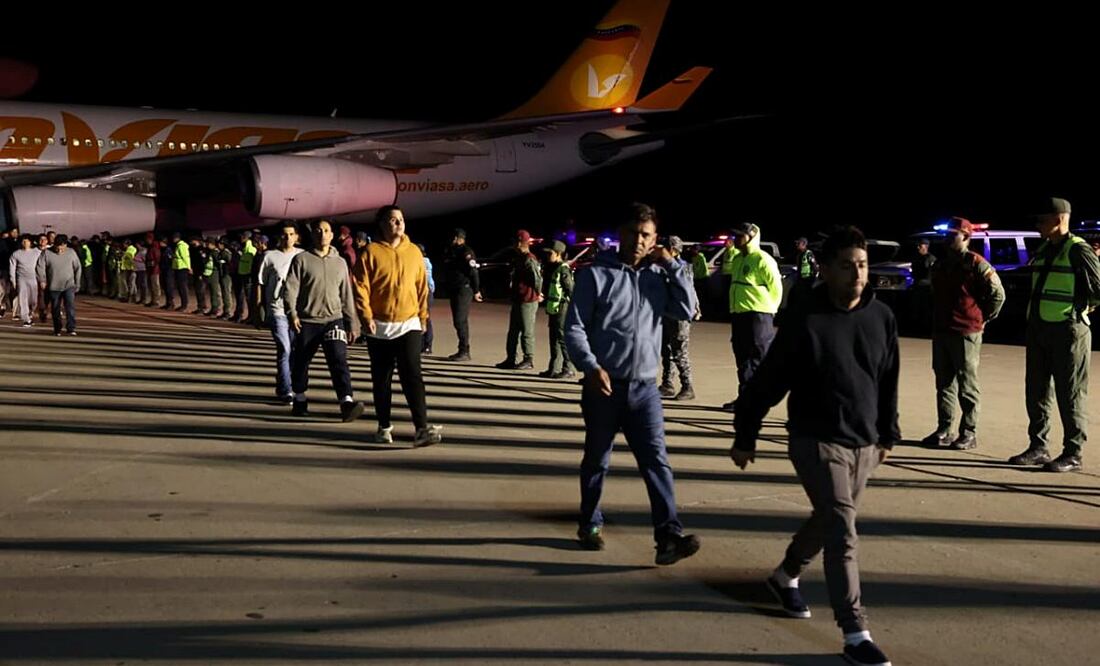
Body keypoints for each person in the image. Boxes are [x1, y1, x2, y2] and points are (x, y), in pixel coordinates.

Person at [731, 226, 899, 666]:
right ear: (824, 270)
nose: (857, 274)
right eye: (846, 266)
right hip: (815, 440)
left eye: (861, 265)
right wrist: (745, 433)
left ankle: (785, 574)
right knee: (843, 530)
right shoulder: (806, 319)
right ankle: (855, 633)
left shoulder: (881, 318)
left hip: (864, 442)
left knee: (829, 521)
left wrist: (887, 433)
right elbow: (768, 381)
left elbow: (887, 378)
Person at [565, 202, 701, 565]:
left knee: (657, 462)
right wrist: (590, 367)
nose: (638, 241)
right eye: (632, 233)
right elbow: (574, 326)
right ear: (619, 234)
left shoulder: (659, 277)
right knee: (597, 459)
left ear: (655, 239)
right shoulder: (595, 275)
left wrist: (672, 264)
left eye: (646, 235)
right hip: (603, 388)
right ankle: (589, 523)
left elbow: (687, 310)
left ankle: (668, 536)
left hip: (645, 389)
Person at [1009, 197, 1100, 473]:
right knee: (1036, 390)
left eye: (1042, 220)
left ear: (1059, 219)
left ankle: (1073, 452)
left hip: (1068, 331)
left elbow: (1097, 289)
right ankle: (1038, 446)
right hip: (1039, 329)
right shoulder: (1045, 248)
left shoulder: (1078, 250)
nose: (1037, 225)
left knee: (1070, 392)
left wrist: (1078, 312)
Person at [352, 206, 442, 446]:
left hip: (409, 322)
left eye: (401, 219)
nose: (398, 224)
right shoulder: (370, 252)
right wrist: (366, 316)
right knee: (381, 378)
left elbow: (422, 287)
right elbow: (361, 287)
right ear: (381, 224)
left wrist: (423, 317)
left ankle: (421, 428)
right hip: (379, 325)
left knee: (412, 374)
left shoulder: (413, 252)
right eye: (392, 220)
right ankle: (383, 426)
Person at [923, 217, 1005, 450]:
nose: (948, 238)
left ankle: (969, 432)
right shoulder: (940, 265)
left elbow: (997, 295)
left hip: (966, 332)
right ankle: (944, 430)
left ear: (966, 237)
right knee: (944, 383)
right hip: (942, 330)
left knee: (967, 384)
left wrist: (982, 318)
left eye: (953, 234)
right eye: (947, 234)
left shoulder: (976, 263)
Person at [282, 219, 364, 423]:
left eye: (326, 230)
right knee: (301, 362)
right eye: (318, 230)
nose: (322, 234)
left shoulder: (340, 262)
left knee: (339, 359)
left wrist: (352, 322)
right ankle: (299, 398)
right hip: (307, 321)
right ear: (313, 234)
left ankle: (346, 401)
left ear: (332, 235)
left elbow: (346, 294)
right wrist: (292, 313)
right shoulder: (302, 259)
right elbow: (291, 289)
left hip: (333, 320)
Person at [722, 222, 782, 410]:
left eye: (740, 235)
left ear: (752, 237)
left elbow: (776, 288)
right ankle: (746, 398)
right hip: (740, 314)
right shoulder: (738, 258)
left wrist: (768, 310)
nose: (736, 239)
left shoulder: (762, 259)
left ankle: (757, 399)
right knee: (742, 358)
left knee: (757, 357)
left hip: (758, 315)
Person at [258, 220, 305, 404]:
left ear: (297, 237)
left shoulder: (302, 255)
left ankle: (284, 382)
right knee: (284, 349)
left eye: (291, 234)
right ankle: (287, 391)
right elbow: (260, 283)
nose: (288, 238)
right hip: (276, 310)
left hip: (296, 311)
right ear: (279, 237)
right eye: (284, 234)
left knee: (294, 350)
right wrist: (257, 309)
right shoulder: (269, 256)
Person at [497, 229, 542, 370]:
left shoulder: (529, 259)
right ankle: (510, 358)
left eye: (516, 242)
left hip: (527, 300)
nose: (514, 245)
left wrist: (538, 293)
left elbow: (537, 279)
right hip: (518, 298)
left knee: (526, 331)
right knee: (513, 331)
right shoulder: (518, 258)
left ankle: (528, 359)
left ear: (521, 242)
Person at [659, 236, 695, 400]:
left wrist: (695, 307)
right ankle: (667, 383)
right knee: (666, 351)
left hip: (679, 315)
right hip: (666, 313)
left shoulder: (682, 268)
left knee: (680, 352)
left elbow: (688, 289)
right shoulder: (664, 266)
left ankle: (687, 386)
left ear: (673, 250)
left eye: (666, 248)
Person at [441, 228, 482, 361]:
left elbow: (473, 272)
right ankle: (462, 349)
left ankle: (464, 350)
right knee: (457, 321)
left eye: (454, 237)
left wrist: (476, 290)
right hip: (455, 289)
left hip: (464, 289)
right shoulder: (451, 251)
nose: (452, 240)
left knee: (460, 320)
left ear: (460, 239)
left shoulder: (466, 252)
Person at [539, 239, 575, 379]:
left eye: (550, 253)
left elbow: (571, 289)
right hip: (553, 308)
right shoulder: (551, 267)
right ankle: (553, 368)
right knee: (554, 338)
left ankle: (568, 368)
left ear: (559, 253)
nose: (547, 256)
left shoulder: (563, 269)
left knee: (562, 338)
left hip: (562, 308)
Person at [36, 234, 83, 336]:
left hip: (68, 285)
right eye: (57, 247)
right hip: (54, 286)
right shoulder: (46, 253)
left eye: (62, 247)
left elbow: (78, 268)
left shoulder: (71, 253)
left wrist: (77, 283)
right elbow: (40, 267)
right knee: (55, 308)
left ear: (65, 245)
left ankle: (71, 328)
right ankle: (57, 328)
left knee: (70, 307)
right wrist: (42, 280)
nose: (60, 249)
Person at [9, 234, 42, 327]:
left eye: (26, 241)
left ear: (30, 242)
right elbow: (12, 268)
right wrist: (13, 281)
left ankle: (30, 313)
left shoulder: (37, 252)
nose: (25, 243)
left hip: (33, 278)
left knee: (33, 300)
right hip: (21, 278)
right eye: (23, 241)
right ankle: (26, 319)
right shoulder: (16, 254)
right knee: (22, 299)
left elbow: (42, 265)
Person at [418, 242, 435, 355]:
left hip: (425, 292)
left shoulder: (423, 262)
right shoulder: (426, 261)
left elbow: (426, 280)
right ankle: (423, 344)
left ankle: (427, 345)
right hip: (426, 292)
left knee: (426, 317)